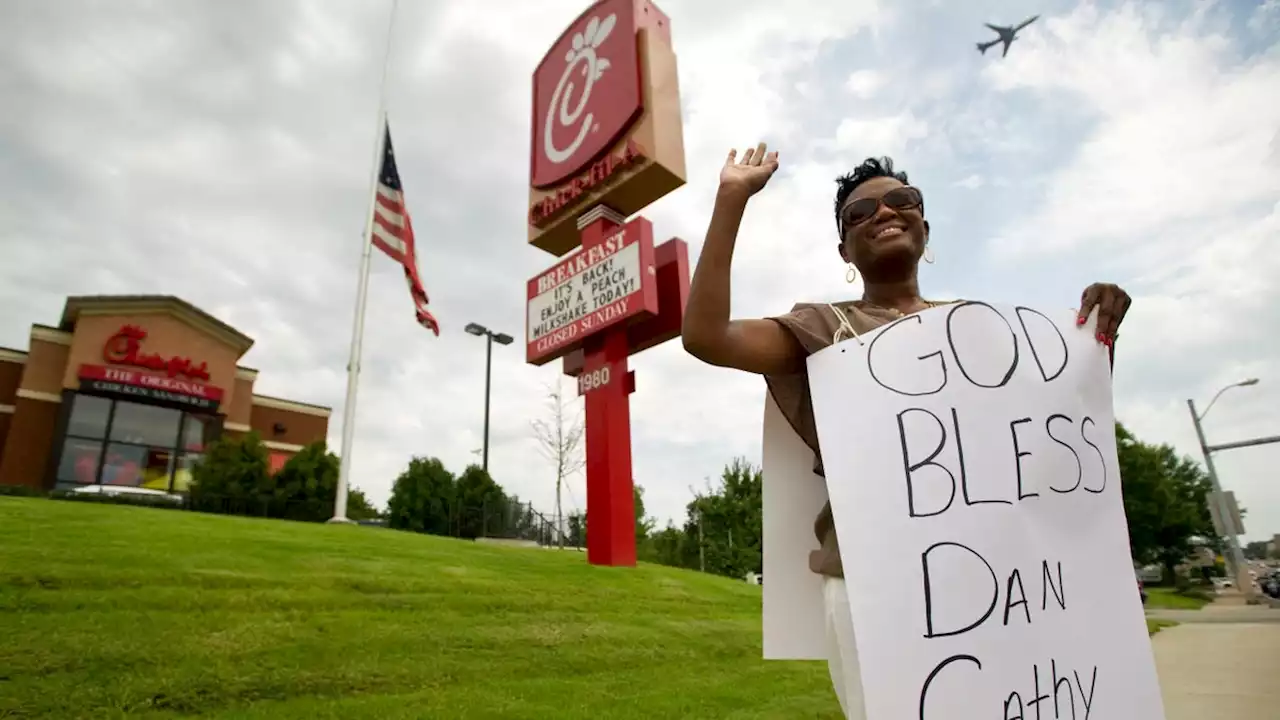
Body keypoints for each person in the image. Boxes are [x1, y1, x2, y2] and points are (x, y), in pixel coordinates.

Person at [680, 142, 1132, 717]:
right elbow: (707, 337)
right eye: (859, 213)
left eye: (901, 200)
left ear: (925, 224)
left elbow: (1054, 436)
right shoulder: (824, 328)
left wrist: (1097, 340)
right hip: (874, 585)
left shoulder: (984, 330)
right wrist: (731, 199)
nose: (884, 213)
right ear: (844, 247)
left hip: (997, 580)